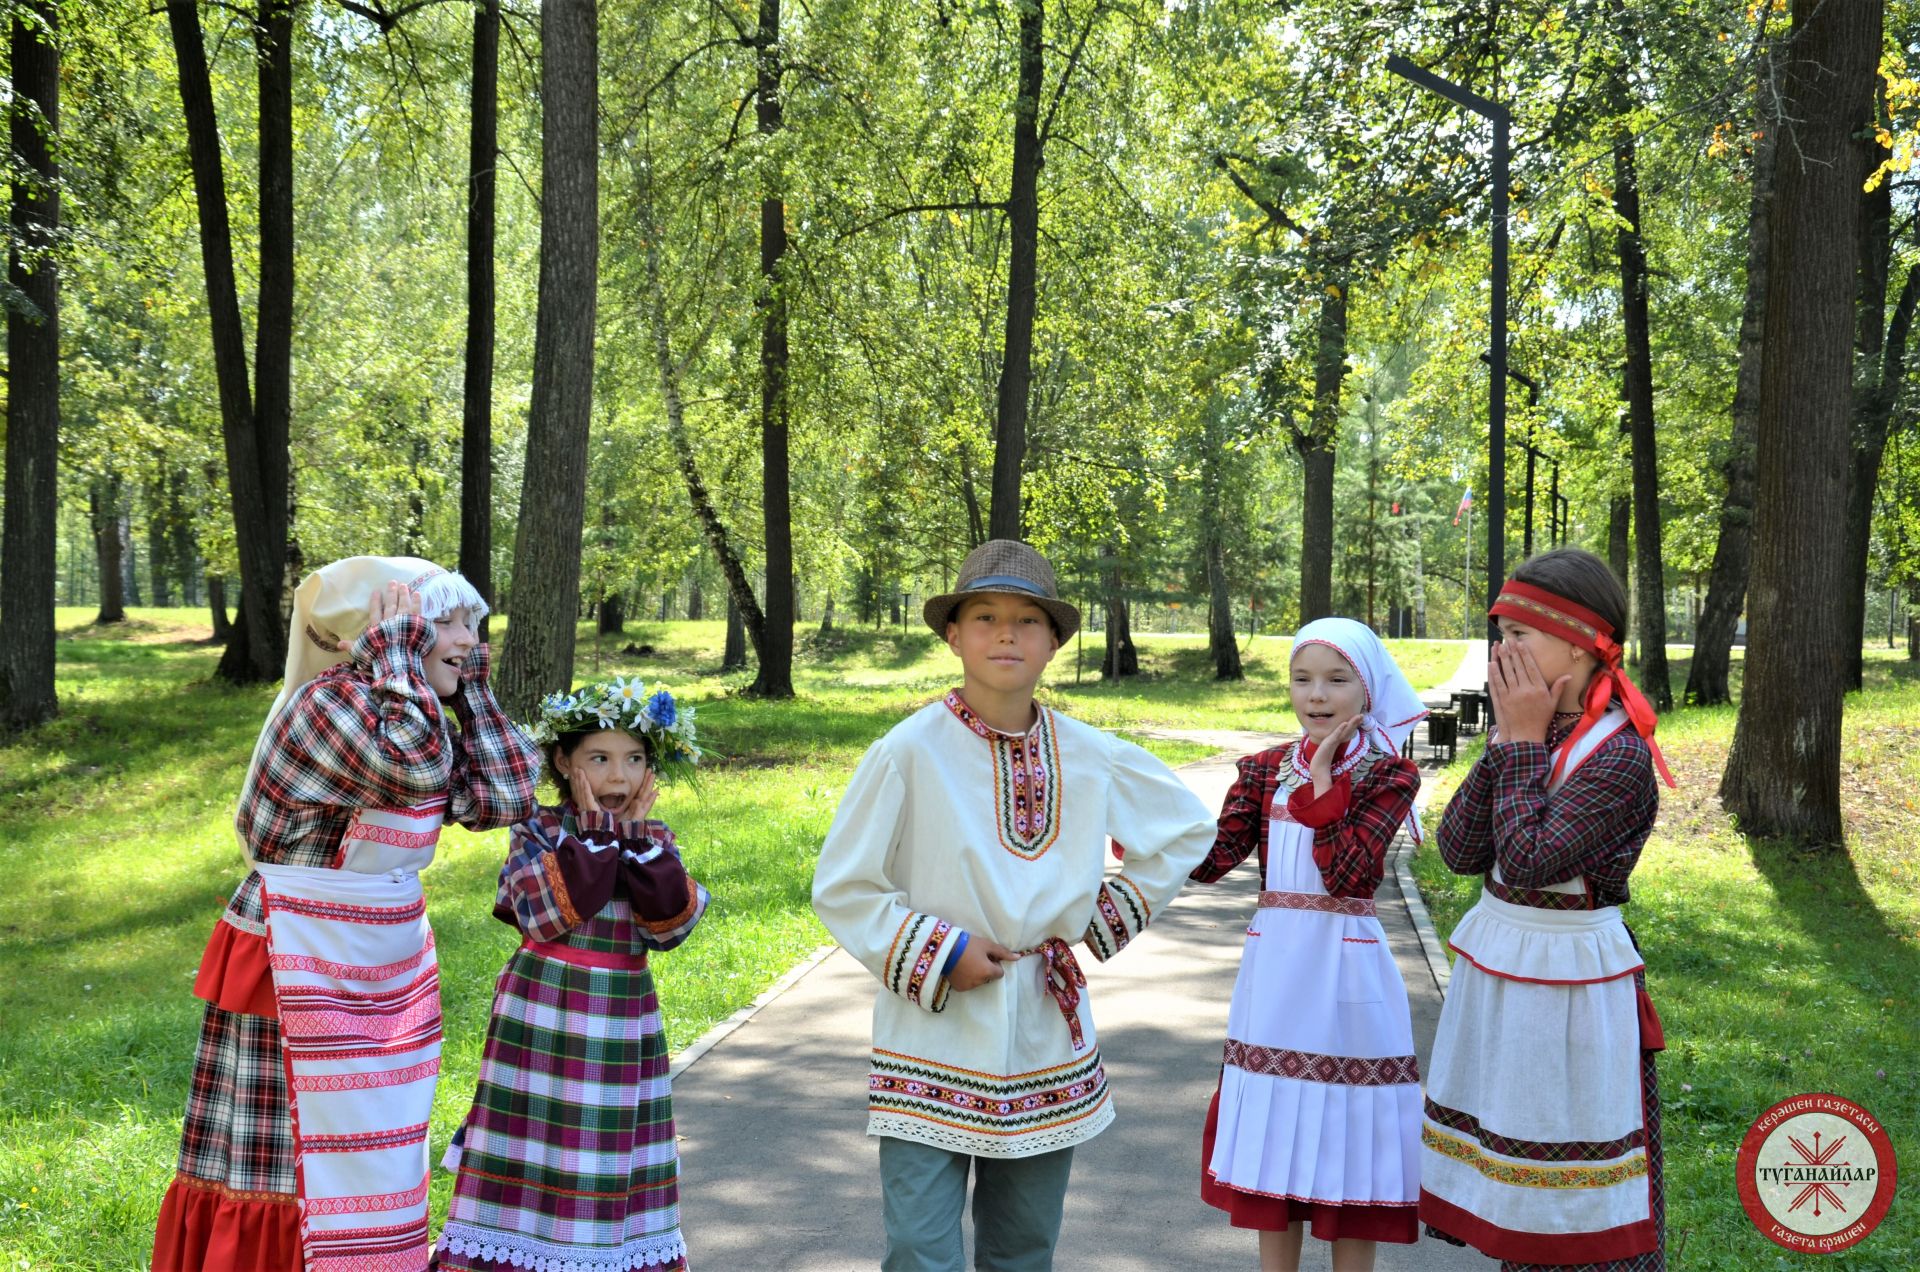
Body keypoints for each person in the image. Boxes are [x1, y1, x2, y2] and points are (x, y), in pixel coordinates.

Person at [811, 539, 1216, 1272]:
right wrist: (940, 951)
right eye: (986, 616)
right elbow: (845, 886)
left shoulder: (1091, 753)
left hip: (1041, 1031)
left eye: (1029, 620)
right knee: (918, 1245)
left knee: (1024, 1246)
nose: (1006, 633)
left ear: (1054, 643)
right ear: (952, 635)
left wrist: (1104, 914)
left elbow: (1187, 825)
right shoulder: (907, 752)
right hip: (931, 1034)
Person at [152, 556, 540, 1272]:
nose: (469, 637)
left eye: (470, 623)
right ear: (380, 631)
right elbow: (414, 772)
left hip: (378, 961)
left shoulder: (411, 709)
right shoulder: (329, 707)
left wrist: (471, 687)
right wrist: (397, 653)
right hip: (297, 955)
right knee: (291, 1162)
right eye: (448, 621)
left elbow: (507, 794)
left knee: (373, 1159)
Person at [1419, 547, 1674, 1271]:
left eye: (1519, 635)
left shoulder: (1619, 758)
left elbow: (1531, 861)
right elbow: (1462, 850)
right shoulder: (1524, 730)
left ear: (1581, 645)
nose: (1503, 651)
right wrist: (1510, 743)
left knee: (1577, 1197)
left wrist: (1523, 742)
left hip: (1574, 996)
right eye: (1500, 635)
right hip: (1509, 983)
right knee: (1515, 1192)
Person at [434, 677, 710, 1272]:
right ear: (564, 761)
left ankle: (601, 1254)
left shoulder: (654, 841)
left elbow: (670, 926)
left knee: (605, 1150)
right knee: (535, 1144)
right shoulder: (539, 831)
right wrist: (591, 839)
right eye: (600, 759)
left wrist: (632, 841)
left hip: (620, 1022)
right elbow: (543, 915)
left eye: (634, 759)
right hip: (541, 1019)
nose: (618, 778)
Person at [1190, 617, 1428, 1272]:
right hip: (1275, 972)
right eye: (1302, 680)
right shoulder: (1264, 770)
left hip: (1348, 974)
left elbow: (1349, 873)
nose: (1316, 695)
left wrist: (1322, 780)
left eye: (1335, 679)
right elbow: (1213, 860)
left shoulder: (1391, 775)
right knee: (1275, 1140)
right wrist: (1143, 831)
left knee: (1351, 1144)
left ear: (1368, 688)